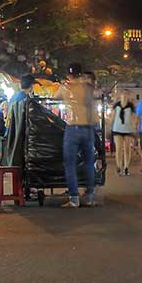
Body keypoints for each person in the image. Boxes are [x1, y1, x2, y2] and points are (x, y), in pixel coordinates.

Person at [57, 65, 98, 207]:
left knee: (70, 164)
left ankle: (74, 198)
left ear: (68, 75)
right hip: (88, 128)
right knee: (89, 163)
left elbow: (55, 96)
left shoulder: (65, 87)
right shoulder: (88, 87)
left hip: (73, 128)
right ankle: (90, 196)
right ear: (80, 74)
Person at [3, 75, 36, 168]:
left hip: (10, 132)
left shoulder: (14, 97)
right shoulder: (25, 99)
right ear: (31, 86)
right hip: (18, 135)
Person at [111, 91, 137, 175]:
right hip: (117, 129)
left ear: (128, 96)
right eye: (123, 94)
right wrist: (109, 126)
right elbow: (112, 117)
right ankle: (119, 167)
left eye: (126, 94)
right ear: (120, 96)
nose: (125, 95)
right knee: (118, 149)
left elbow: (134, 117)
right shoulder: (116, 105)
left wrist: (135, 126)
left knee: (127, 149)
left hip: (128, 129)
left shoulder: (131, 106)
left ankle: (126, 167)